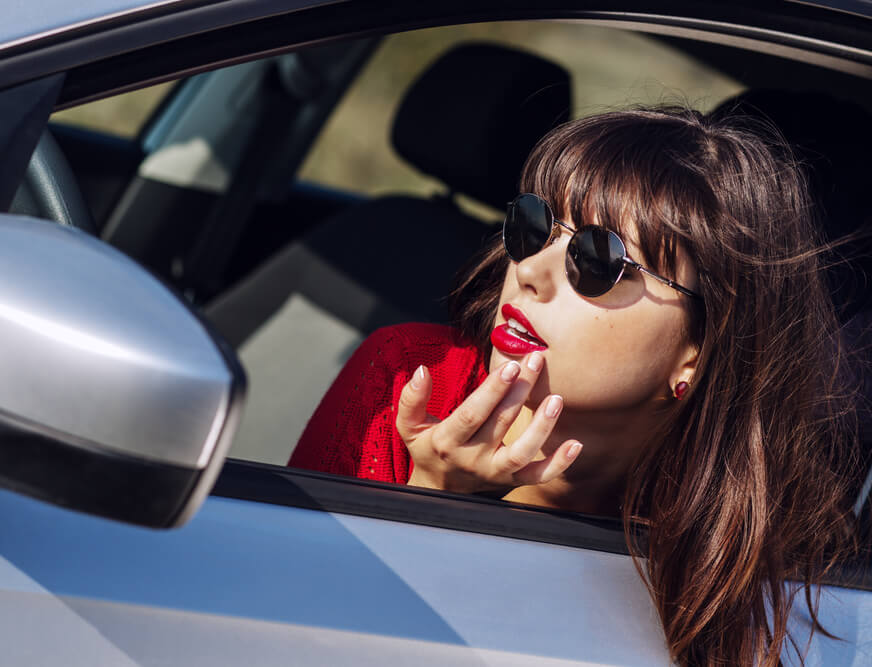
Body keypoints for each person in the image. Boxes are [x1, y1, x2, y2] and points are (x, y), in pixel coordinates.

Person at [288, 107, 866, 665]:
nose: (531, 271)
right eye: (533, 227)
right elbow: (282, 628)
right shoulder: (408, 374)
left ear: (698, 352)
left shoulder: (738, 540)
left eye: (597, 259)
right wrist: (431, 497)